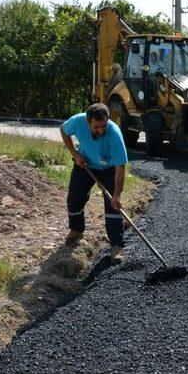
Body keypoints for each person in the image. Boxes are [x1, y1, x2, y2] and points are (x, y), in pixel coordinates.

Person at [60, 103, 129, 262]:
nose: (101, 130)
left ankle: (117, 245)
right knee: (74, 197)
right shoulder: (77, 122)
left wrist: (117, 195)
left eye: (104, 125)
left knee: (113, 205)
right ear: (88, 122)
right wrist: (75, 154)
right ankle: (76, 231)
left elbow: (120, 167)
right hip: (84, 164)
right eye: (97, 127)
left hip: (109, 169)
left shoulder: (114, 135)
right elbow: (63, 130)